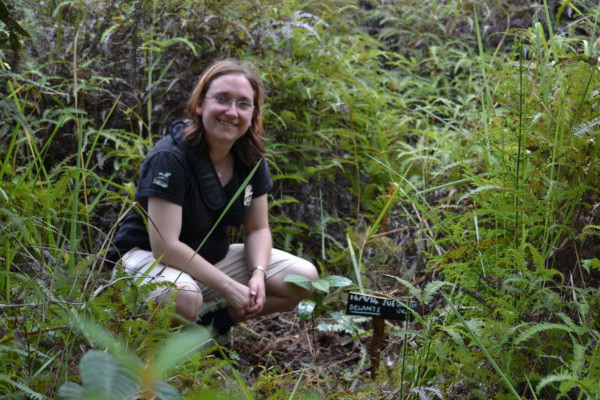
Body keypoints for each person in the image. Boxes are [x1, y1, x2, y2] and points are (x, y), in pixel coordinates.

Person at [109, 59, 319, 339]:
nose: (232, 112)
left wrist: (258, 273)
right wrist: (228, 287)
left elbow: (258, 228)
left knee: (304, 277)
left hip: (207, 261)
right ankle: (152, 349)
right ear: (200, 104)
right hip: (146, 259)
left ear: (253, 113)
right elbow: (165, 246)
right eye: (222, 99)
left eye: (243, 104)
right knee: (182, 296)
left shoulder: (250, 159)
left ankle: (213, 328)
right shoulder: (170, 158)